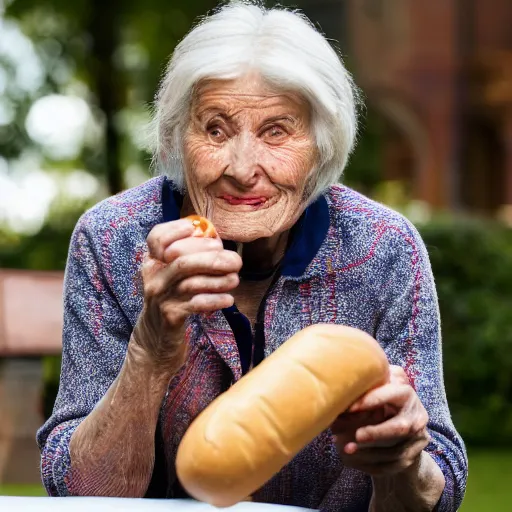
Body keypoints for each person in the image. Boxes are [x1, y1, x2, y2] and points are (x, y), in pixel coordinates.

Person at [37, 2, 467, 510]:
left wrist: (403, 460)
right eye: (215, 129)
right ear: (177, 137)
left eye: (276, 131)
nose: (243, 169)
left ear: (322, 145)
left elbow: (438, 488)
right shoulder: (112, 238)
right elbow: (77, 493)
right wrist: (150, 349)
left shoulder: (382, 248)